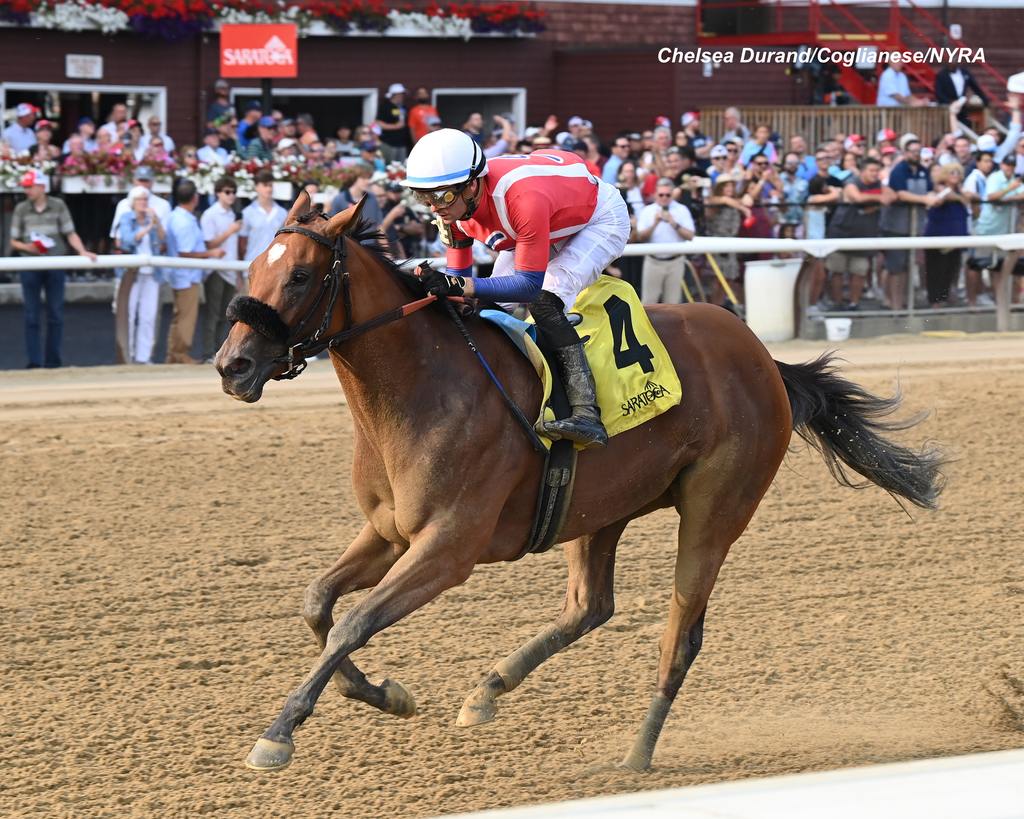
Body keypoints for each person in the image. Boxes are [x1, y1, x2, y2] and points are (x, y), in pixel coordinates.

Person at [402, 128, 632, 448]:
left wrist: (459, 285)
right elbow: (459, 279)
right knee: (484, 308)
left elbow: (526, 287)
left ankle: (585, 411)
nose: (433, 206)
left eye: (441, 196)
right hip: (541, 220)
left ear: (471, 186)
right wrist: (447, 288)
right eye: (422, 196)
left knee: (543, 302)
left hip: (597, 219)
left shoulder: (523, 199)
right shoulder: (453, 208)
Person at [9, 170, 97, 368]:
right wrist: (29, 248)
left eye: (30, 186)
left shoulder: (58, 205)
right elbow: (14, 241)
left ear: (42, 187)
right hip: (30, 264)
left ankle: (53, 361)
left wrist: (82, 251)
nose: (27, 190)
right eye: (26, 187)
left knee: (55, 314)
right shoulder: (21, 209)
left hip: (55, 263)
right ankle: (34, 362)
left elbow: (70, 232)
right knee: (31, 315)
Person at [163, 180, 225, 364]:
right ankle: (180, 353)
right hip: (186, 276)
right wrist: (211, 253)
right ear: (195, 198)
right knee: (186, 317)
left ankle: (174, 353)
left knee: (180, 315)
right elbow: (185, 252)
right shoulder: (184, 221)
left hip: (182, 274)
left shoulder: (177, 216)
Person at [825, 158, 892, 310]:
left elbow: (891, 196)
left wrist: (875, 205)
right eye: (871, 171)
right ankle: (838, 303)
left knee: (859, 271)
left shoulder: (880, 185)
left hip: (864, 236)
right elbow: (857, 197)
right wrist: (878, 199)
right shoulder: (851, 183)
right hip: (841, 234)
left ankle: (854, 304)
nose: (875, 174)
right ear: (862, 171)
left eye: (877, 171)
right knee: (837, 270)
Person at [880, 137, 935, 310]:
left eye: (919, 151)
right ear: (905, 153)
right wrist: (924, 199)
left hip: (915, 226)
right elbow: (901, 193)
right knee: (896, 267)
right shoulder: (899, 171)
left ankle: (904, 301)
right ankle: (893, 303)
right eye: (913, 151)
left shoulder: (923, 171)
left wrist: (934, 195)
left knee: (908, 266)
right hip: (896, 226)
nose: (916, 155)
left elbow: (930, 189)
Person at [114, 185, 165, 364]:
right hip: (131, 272)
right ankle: (127, 356)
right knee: (128, 314)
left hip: (151, 272)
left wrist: (156, 222)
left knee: (148, 315)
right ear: (133, 202)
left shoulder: (152, 218)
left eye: (145, 199)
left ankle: (143, 357)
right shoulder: (126, 217)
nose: (143, 202)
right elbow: (127, 240)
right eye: (140, 199)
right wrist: (148, 226)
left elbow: (162, 238)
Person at [199, 176, 243, 362]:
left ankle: (220, 351)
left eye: (233, 192)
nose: (231, 195)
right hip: (215, 269)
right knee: (213, 312)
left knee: (227, 315)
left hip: (230, 269)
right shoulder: (210, 214)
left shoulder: (232, 214)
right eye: (227, 192)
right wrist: (230, 231)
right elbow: (209, 243)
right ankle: (208, 351)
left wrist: (239, 273)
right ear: (218, 193)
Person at [635, 178, 695, 304]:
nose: (664, 198)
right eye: (661, 195)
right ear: (655, 195)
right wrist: (655, 223)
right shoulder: (647, 211)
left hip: (676, 261)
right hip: (653, 261)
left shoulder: (681, 209)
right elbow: (641, 237)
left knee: (673, 304)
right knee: (648, 303)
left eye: (668, 195)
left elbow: (690, 235)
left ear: (672, 195)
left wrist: (674, 224)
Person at [923, 162, 970, 306]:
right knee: (935, 269)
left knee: (951, 269)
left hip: (956, 237)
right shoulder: (938, 189)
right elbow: (939, 200)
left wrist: (962, 196)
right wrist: (958, 197)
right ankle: (934, 300)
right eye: (952, 172)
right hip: (937, 235)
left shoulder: (962, 191)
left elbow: (970, 206)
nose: (955, 175)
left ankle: (945, 297)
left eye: (957, 172)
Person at [240, 170, 288, 263]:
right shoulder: (247, 212)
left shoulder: (282, 212)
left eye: (270, 185)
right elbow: (242, 243)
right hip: (252, 264)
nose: (269, 189)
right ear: (257, 187)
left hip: (276, 265)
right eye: (265, 185)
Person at [376, 82, 411, 161]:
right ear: (394, 95)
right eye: (400, 94)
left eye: (402, 94)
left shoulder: (404, 107)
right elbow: (378, 124)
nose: (402, 97)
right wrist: (396, 126)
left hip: (402, 143)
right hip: (389, 143)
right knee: (390, 166)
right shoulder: (385, 107)